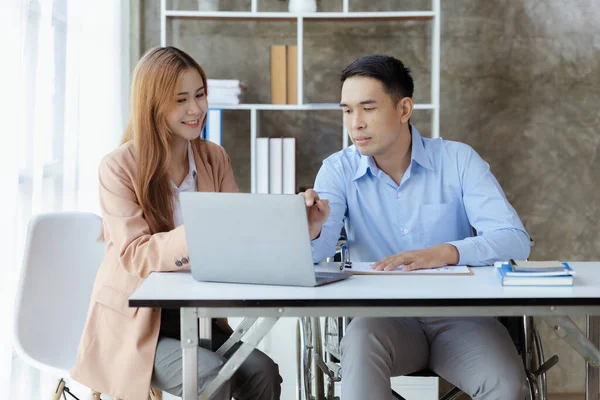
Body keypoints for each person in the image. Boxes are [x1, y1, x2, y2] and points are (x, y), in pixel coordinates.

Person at [301, 55, 531, 400]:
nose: (356, 123)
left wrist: (446, 252)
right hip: (380, 319)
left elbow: (515, 241)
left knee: (507, 387)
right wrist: (313, 230)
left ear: (404, 108)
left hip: (463, 319)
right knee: (359, 368)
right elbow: (317, 258)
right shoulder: (337, 171)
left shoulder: (458, 160)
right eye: (348, 111)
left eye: (368, 108)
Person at [70, 46, 282, 400]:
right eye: (181, 99)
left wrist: (296, 229)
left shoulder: (214, 157)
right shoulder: (118, 167)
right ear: (153, 104)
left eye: (200, 94)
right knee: (210, 376)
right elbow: (135, 254)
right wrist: (205, 229)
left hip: (198, 315)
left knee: (263, 372)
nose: (197, 109)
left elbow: (238, 234)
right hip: (136, 324)